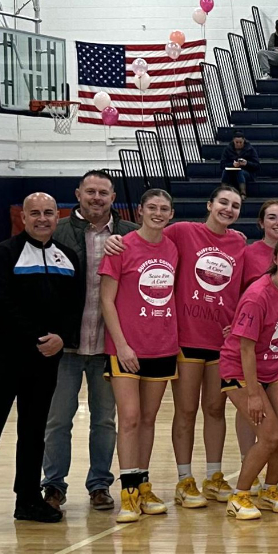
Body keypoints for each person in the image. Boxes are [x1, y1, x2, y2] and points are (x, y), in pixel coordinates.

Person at [106, 185, 246, 509]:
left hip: (220, 341)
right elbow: (146, 236)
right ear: (210, 204)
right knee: (186, 411)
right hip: (185, 338)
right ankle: (185, 480)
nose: (227, 209)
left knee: (215, 409)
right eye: (222, 202)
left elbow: (248, 286)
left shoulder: (239, 242)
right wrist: (113, 237)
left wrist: (237, 321)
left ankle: (214, 476)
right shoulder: (183, 232)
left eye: (234, 205)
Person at [0, 192, 78, 532]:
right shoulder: (4, 254)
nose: (42, 219)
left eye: (49, 213)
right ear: (23, 218)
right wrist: (39, 337)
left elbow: (74, 306)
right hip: (5, 357)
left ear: (58, 217)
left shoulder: (67, 257)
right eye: (35, 213)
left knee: (33, 431)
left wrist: (61, 337)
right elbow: (1, 305)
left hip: (45, 360)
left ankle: (27, 499)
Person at [40, 170, 137, 514]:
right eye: (90, 191)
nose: (97, 197)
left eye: (104, 193)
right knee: (57, 420)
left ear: (113, 197)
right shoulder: (57, 232)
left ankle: (99, 484)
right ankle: (53, 484)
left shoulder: (129, 234)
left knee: (105, 420)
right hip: (64, 346)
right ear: (78, 193)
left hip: (108, 345)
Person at [98, 188, 183, 523]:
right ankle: (128, 492)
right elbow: (107, 300)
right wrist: (121, 344)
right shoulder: (122, 246)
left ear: (171, 214)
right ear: (141, 211)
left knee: (148, 419)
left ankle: (143, 483)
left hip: (161, 345)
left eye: (164, 209)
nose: (158, 213)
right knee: (130, 417)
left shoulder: (173, 248)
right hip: (127, 347)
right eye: (152, 207)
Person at [218, 236, 278, 518]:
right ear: (275, 260)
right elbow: (245, 348)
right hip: (240, 370)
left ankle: (270, 489)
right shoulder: (258, 295)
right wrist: (254, 393)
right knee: (270, 436)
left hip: (274, 367)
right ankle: (239, 496)